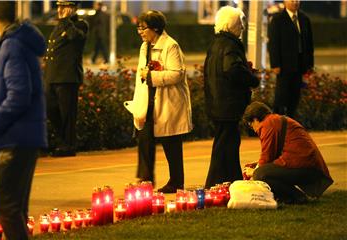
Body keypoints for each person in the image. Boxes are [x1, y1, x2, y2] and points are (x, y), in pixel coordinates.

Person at [0, 1, 47, 238]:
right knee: (15, 207)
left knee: (4, 204)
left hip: (17, 137)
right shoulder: (19, 43)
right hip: (25, 136)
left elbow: (19, 94)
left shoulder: (11, 46)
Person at [124, 10, 192, 193]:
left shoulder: (171, 46)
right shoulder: (144, 47)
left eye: (143, 27)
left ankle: (176, 182)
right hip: (149, 101)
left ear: (155, 28)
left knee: (171, 143)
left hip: (168, 102)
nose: (140, 31)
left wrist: (152, 76)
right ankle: (146, 180)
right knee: (144, 139)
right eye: (138, 27)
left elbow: (177, 74)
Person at [203, 6, 259, 189]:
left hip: (217, 102)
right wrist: (251, 78)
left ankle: (231, 180)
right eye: (239, 24)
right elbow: (232, 69)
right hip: (228, 104)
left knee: (228, 143)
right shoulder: (230, 45)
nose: (242, 28)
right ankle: (215, 183)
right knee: (226, 144)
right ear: (231, 25)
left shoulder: (215, 44)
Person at [243, 101, 333, 204]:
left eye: (251, 125)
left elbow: (267, 157)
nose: (254, 130)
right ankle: (292, 197)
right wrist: (256, 166)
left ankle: (296, 198)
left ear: (255, 119)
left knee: (261, 174)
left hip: (305, 168)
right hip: (309, 166)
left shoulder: (268, 124)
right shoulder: (275, 120)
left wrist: (254, 172)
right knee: (261, 170)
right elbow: (270, 156)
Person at [44, 0, 88, 157]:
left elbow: (75, 38)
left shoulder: (80, 24)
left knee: (67, 114)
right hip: (52, 76)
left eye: (64, 6)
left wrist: (66, 20)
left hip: (67, 77)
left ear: (73, 8)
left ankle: (68, 146)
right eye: (59, 6)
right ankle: (62, 141)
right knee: (50, 109)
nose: (60, 9)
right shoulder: (61, 25)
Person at [268, 0, 314, 118]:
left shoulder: (304, 19)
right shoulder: (278, 20)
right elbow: (273, 43)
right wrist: (275, 64)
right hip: (284, 65)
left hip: (300, 64)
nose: (295, 2)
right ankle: (278, 123)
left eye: (297, 0)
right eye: (292, 0)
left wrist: (310, 64)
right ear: (285, 1)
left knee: (295, 97)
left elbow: (309, 44)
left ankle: (291, 122)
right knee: (281, 97)